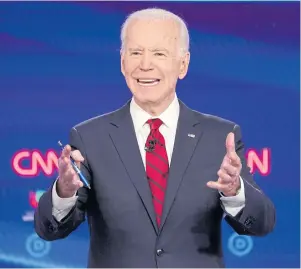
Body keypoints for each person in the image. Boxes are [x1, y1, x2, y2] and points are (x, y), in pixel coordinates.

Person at [34, 7, 275, 268]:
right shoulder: (89, 137)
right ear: (123, 62)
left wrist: (235, 191)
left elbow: (262, 223)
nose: (145, 64)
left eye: (159, 53)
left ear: (183, 64)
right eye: (136, 53)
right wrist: (64, 192)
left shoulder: (219, 137)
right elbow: (50, 229)